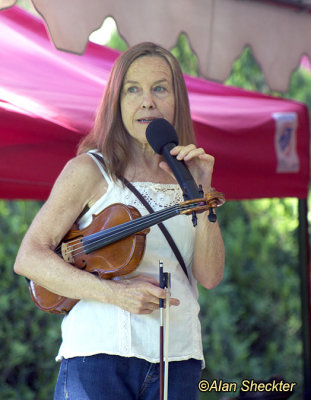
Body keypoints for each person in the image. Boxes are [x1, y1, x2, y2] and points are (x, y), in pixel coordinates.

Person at [14, 42, 225, 400]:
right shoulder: (89, 170)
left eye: (159, 88)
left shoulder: (190, 177)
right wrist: (116, 294)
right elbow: (29, 258)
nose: (147, 101)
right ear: (117, 101)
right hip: (98, 358)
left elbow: (210, 276)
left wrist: (202, 191)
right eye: (133, 89)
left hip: (178, 359)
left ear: (177, 102)